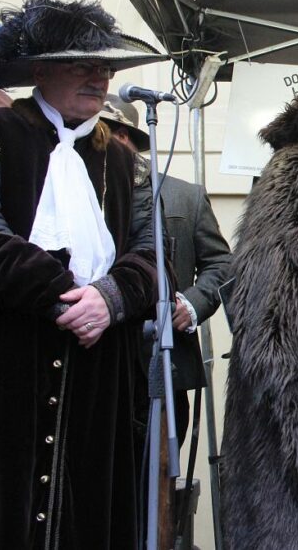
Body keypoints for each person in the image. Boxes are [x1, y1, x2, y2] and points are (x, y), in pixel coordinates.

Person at [0, 0, 166, 549]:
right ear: (40, 71)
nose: (99, 78)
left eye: (105, 67)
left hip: (99, 379)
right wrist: (66, 299)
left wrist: (110, 298)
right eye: (82, 65)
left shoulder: (127, 161)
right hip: (7, 368)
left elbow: (154, 255)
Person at [100, 94, 232, 447]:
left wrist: (191, 305)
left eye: (98, 133)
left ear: (122, 137)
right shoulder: (73, 191)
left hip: (164, 366)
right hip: (95, 366)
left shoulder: (185, 196)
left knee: (158, 475)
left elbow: (222, 264)